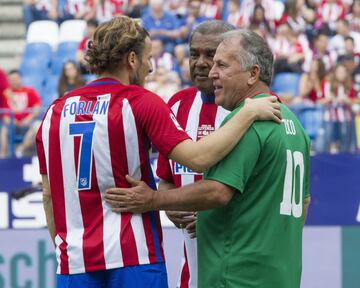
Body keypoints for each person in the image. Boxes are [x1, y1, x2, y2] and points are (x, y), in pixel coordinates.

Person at [36, 16, 281, 288]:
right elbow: (198, 158)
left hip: (75, 264)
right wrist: (247, 114)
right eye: (147, 57)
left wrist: (69, 248)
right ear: (132, 59)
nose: (151, 67)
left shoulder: (54, 112)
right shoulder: (141, 102)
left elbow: (48, 196)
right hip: (134, 257)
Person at [105, 29, 311, 288]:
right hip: (281, 275)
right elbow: (303, 202)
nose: (211, 71)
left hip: (237, 276)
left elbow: (218, 192)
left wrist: (153, 199)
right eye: (199, 57)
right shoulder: (294, 125)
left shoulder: (248, 123)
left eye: (221, 64)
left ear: (253, 73)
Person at [155, 20, 234, 288]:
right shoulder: (176, 106)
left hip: (242, 272)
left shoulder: (254, 108)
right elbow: (166, 178)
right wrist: (168, 205)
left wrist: (216, 218)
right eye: (194, 53)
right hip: (192, 276)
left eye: (210, 55)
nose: (200, 62)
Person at [0, 70, 41, 157]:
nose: (14, 81)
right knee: (3, 130)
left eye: (16, 78)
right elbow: (4, 114)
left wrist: (28, 119)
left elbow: (37, 108)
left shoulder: (30, 91)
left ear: (20, 78)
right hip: (11, 125)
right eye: (12, 79)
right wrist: (11, 121)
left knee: (38, 125)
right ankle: (3, 156)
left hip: (27, 124)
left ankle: (20, 150)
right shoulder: (5, 94)